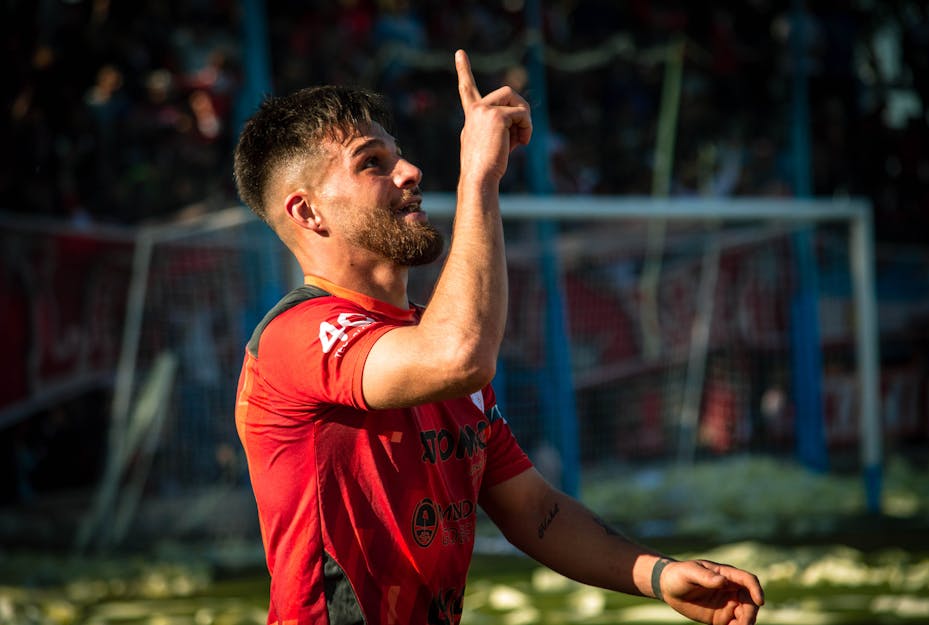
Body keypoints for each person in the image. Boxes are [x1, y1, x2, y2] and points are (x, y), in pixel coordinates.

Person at [233, 50, 765, 625]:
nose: (410, 171)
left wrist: (658, 575)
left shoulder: (424, 338)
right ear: (307, 212)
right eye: (372, 163)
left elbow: (534, 510)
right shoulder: (297, 333)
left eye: (398, 154)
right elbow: (458, 356)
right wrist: (479, 177)